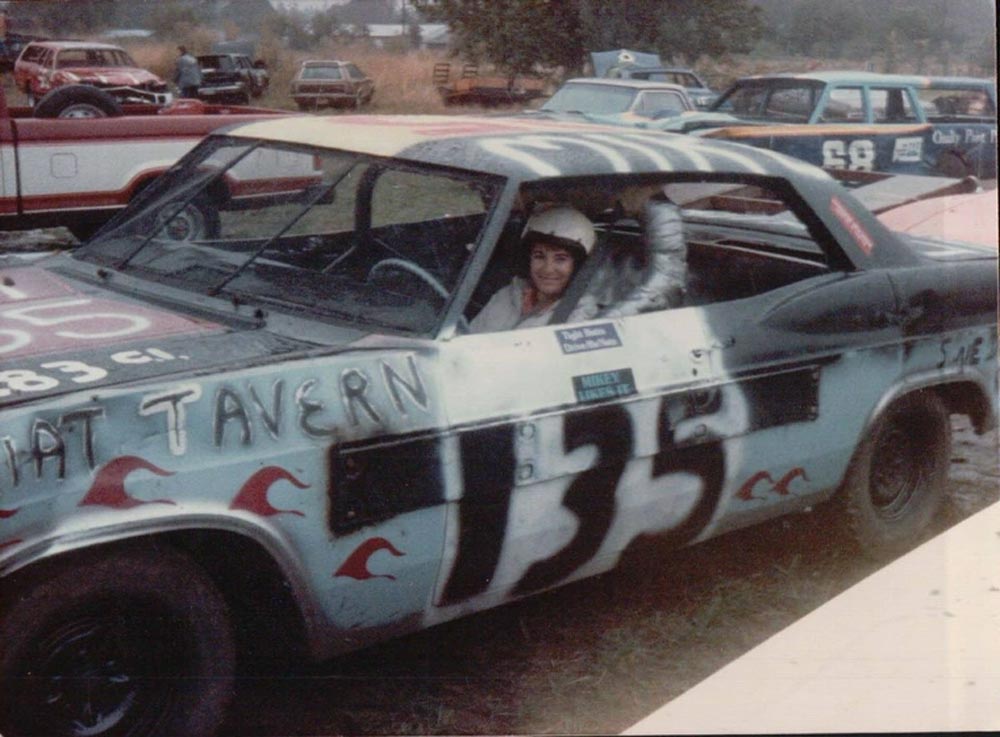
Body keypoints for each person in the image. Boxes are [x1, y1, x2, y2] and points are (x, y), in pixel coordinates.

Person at [470, 205, 594, 333]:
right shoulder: (509, 295)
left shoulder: (581, 315)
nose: (547, 269)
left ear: (577, 265)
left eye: (560, 259)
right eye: (539, 256)